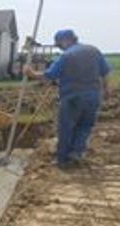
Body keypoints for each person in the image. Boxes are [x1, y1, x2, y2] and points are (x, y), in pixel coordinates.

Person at [23, 30, 111, 168]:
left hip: (72, 97)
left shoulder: (66, 56)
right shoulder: (94, 51)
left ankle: (62, 160)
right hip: (93, 97)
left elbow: (49, 75)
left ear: (66, 40)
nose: (59, 47)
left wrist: (31, 73)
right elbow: (105, 73)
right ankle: (76, 153)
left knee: (66, 128)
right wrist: (107, 90)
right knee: (85, 126)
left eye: (59, 44)